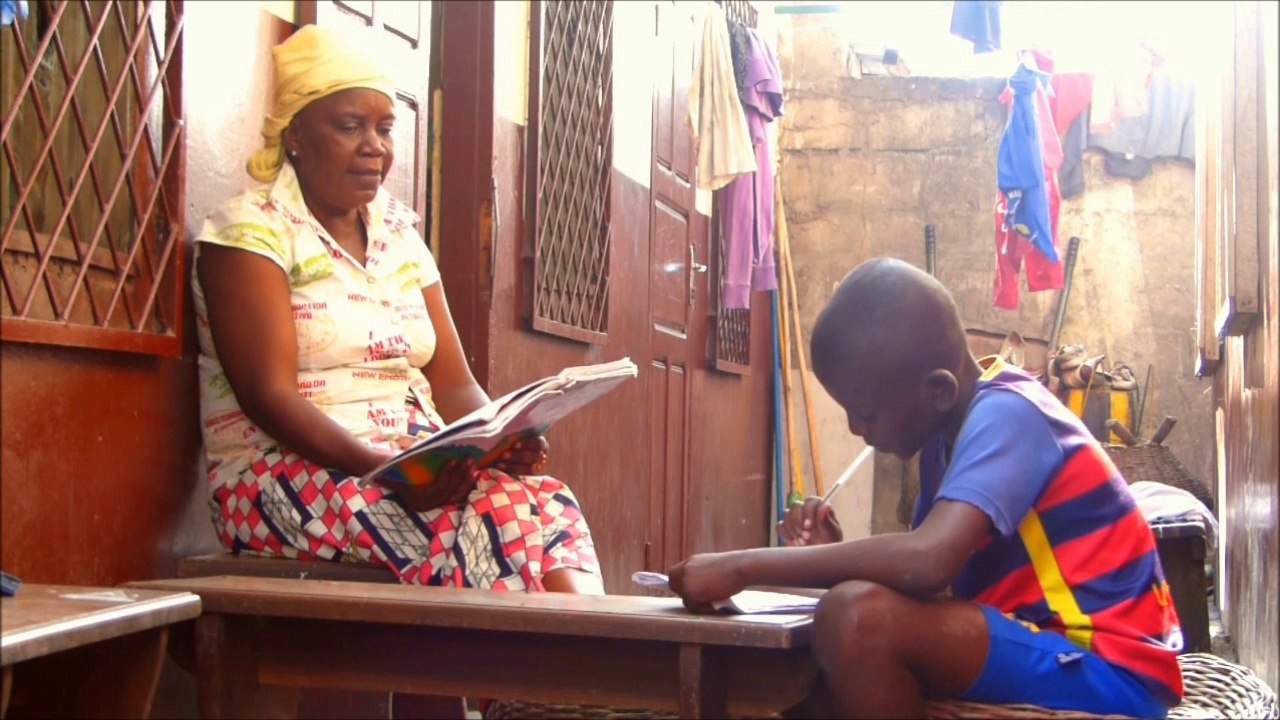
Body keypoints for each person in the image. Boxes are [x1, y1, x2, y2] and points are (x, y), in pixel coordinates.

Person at [668, 257, 1183, 717]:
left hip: (1110, 666)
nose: (855, 430)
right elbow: (930, 587)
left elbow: (925, 561)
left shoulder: (1011, 414)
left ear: (938, 390)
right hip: (1046, 647)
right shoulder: (944, 443)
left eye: (864, 413)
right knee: (821, 684)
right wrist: (834, 553)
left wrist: (741, 565)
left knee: (855, 621)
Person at [192, 25, 602, 595]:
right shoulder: (249, 233)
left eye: (384, 128)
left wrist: (502, 442)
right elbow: (269, 396)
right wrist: (389, 472)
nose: (375, 147)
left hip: (415, 464)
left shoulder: (400, 236)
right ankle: (538, 681)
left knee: (547, 501)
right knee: (489, 516)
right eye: (349, 127)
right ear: (295, 134)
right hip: (275, 480)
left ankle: (557, 679)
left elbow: (455, 386)